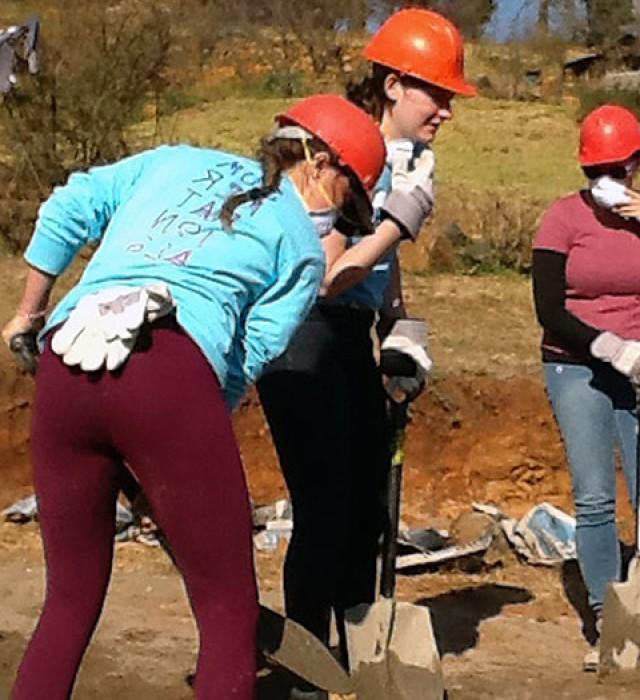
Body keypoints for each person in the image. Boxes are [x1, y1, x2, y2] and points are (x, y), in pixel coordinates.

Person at [1, 94, 385, 700]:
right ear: (321, 164)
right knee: (228, 611)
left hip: (65, 357)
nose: (338, 225)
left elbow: (68, 207)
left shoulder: (172, 161)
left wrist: (27, 314)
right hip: (171, 371)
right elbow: (244, 361)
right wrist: (179, 459)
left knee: (69, 601)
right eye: (347, 205)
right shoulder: (303, 253)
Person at [255, 9, 473, 694]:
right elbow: (326, 270)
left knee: (367, 509)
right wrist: (396, 221)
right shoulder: (334, 147)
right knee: (323, 505)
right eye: (436, 94)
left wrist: (400, 321)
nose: (446, 110)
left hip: (350, 333)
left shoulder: (410, 161)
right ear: (393, 85)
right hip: (301, 332)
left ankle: (352, 659)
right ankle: (304, 667)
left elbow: (378, 272)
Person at [532, 104, 640, 688]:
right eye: (594, 170)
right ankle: (609, 625)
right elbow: (548, 309)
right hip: (576, 367)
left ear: (636, 164)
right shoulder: (561, 220)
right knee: (596, 498)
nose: (606, 181)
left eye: (617, 169)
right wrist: (608, 346)